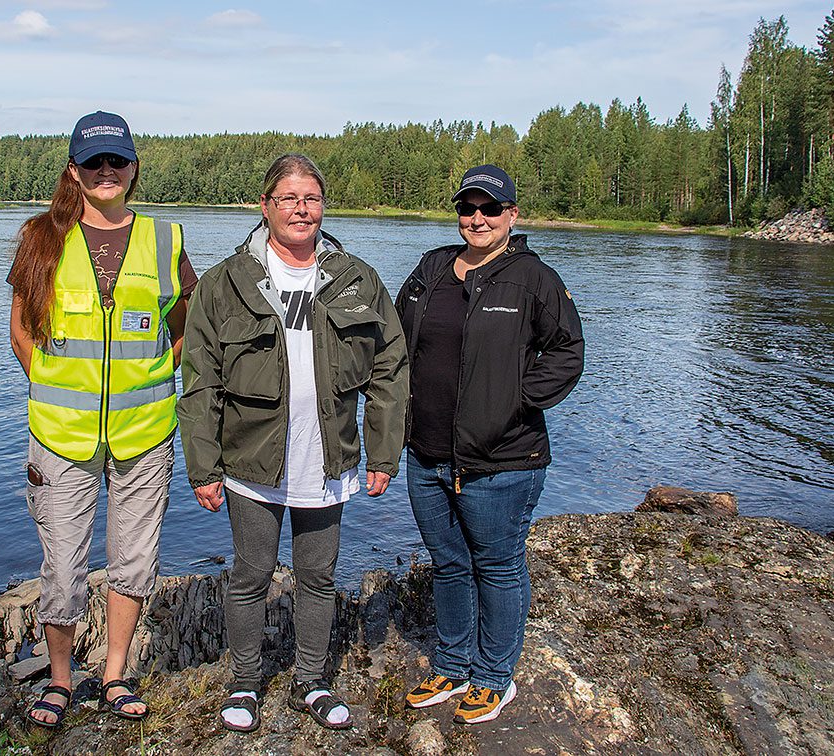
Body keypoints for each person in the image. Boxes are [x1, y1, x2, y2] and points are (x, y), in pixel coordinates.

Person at [177, 154, 408, 733]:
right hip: (250, 461)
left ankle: (311, 680)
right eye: (289, 198)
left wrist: (383, 454)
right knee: (250, 574)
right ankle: (245, 681)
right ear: (266, 207)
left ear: (321, 208)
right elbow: (200, 381)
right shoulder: (225, 283)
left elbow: (390, 367)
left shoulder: (357, 279)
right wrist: (202, 465)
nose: (301, 209)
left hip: (326, 459)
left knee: (319, 576)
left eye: (311, 199)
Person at [7, 111, 197, 727]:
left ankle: (113, 676)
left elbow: (184, 323)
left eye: (117, 160)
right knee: (62, 566)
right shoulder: (41, 237)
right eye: (94, 162)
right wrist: (56, 386)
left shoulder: (166, 239)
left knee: (134, 561)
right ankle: (60, 681)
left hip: (145, 433)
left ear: (134, 167)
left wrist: (153, 378)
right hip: (60, 435)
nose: (107, 171)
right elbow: (20, 330)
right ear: (75, 170)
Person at [395, 164, 584, 723]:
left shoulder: (533, 278)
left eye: (490, 209)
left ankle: (495, 677)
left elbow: (567, 352)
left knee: (498, 565)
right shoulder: (431, 268)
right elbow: (393, 339)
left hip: (502, 459)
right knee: (449, 562)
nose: (476, 219)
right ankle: (453, 665)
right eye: (467, 208)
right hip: (427, 453)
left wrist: (516, 398)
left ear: (511, 216)